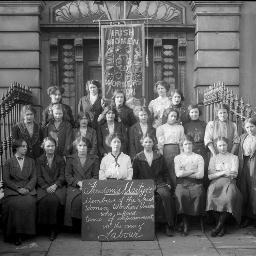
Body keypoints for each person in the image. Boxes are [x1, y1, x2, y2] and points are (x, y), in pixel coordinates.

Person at [132, 134, 176, 236]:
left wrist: (168, 183)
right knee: (146, 197)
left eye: (150, 142)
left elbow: (165, 172)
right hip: (144, 183)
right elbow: (135, 176)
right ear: (142, 143)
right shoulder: (138, 158)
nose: (148, 144)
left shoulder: (159, 156)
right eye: (146, 142)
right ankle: (148, 225)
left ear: (153, 143)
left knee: (165, 196)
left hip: (159, 182)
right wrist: (137, 187)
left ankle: (167, 225)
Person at [2, 139, 37, 245]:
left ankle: (27, 233)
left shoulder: (31, 161)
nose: (25, 148)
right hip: (13, 191)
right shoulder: (8, 162)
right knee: (13, 205)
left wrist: (27, 188)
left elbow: (34, 178)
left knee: (29, 203)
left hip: (27, 190)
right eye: (23, 146)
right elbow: (6, 179)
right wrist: (17, 189)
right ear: (16, 148)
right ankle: (15, 234)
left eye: (26, 146)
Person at [206, 137, 242, 237]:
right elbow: (210, 176)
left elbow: (234, 174)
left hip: (229, 182)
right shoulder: (214, 158)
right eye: (220, 146)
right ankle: (221, 226)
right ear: (217, 147)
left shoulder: (234, 158)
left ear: (228, 145)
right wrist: (224, 172)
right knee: (211, 196)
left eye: (224, 145)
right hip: (215, 183)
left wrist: (217, 173)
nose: (222, 147)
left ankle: (219, 226)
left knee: (229, 197)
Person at [64, 136, 99, 229]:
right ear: (76, 147)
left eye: (85, 145)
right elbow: (68, 176)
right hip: (74, 187)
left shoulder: (94, 158)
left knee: (89, 200)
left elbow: (96, 176)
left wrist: (87, 184)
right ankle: (76, 226)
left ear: (88, 147)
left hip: (90, 186)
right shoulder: (70, 159)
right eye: (80, 145)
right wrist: (79, 183)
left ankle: (89, 226)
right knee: (76, 201)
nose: (82, 148)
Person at [174, 135, 206, 236]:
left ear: (193, 145)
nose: (188, 146)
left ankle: (188, 221)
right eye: (185, 144)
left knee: (199, 194)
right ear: (182, 146)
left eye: (190, 143)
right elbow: (178, 174)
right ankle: (185, 222)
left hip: (196, 183)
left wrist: (185, 172)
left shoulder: (198, 157)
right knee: (180, 194)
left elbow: (200, 175)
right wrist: (193, 170)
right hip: (182, 183)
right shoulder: (178, 157)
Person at [36, 137, 66, 241]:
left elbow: (62, 176)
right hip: (44, 187)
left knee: (54, 200)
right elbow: (38, 177)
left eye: (52, 145)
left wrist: (56, 185)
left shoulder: (60, 159)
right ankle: (44, 228)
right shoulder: (39, 160)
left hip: (57, 186)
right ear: (43, 147)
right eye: (48, 146)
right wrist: (45, 187)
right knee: (43, 200)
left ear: (55, 147)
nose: (50, 148)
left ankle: (53, 229)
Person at [156, 108, 184, 188]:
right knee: (167, 170)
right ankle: (169, 189)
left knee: (176, 169)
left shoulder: (180, 127)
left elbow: (182, 142)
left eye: (175, 116)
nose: (173, 118)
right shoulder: (161, 128)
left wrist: (182, 154)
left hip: (177, 150)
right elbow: (160, 144)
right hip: (166, 150)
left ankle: (176, 189)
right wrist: (162, 155)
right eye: (171, 116)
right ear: (167, 116)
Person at [238, 117, 256, 227]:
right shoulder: (243, 137)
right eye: (247, 127)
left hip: (255, 165)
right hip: (244, 165)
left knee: (254, 190)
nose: (250, 129)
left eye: (252, 127)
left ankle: (254, 216)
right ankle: (247, 216)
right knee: (244, 189)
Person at [183, 104, 208, 186]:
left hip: (202, 150)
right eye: (192, 112)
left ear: (199, 113)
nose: (194, 114)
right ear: (189, 114)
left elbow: (207, 137)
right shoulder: (185, 126)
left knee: (203, 169)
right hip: (190, 149)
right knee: (192, 169)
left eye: (196, 112)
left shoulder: (204, 124)